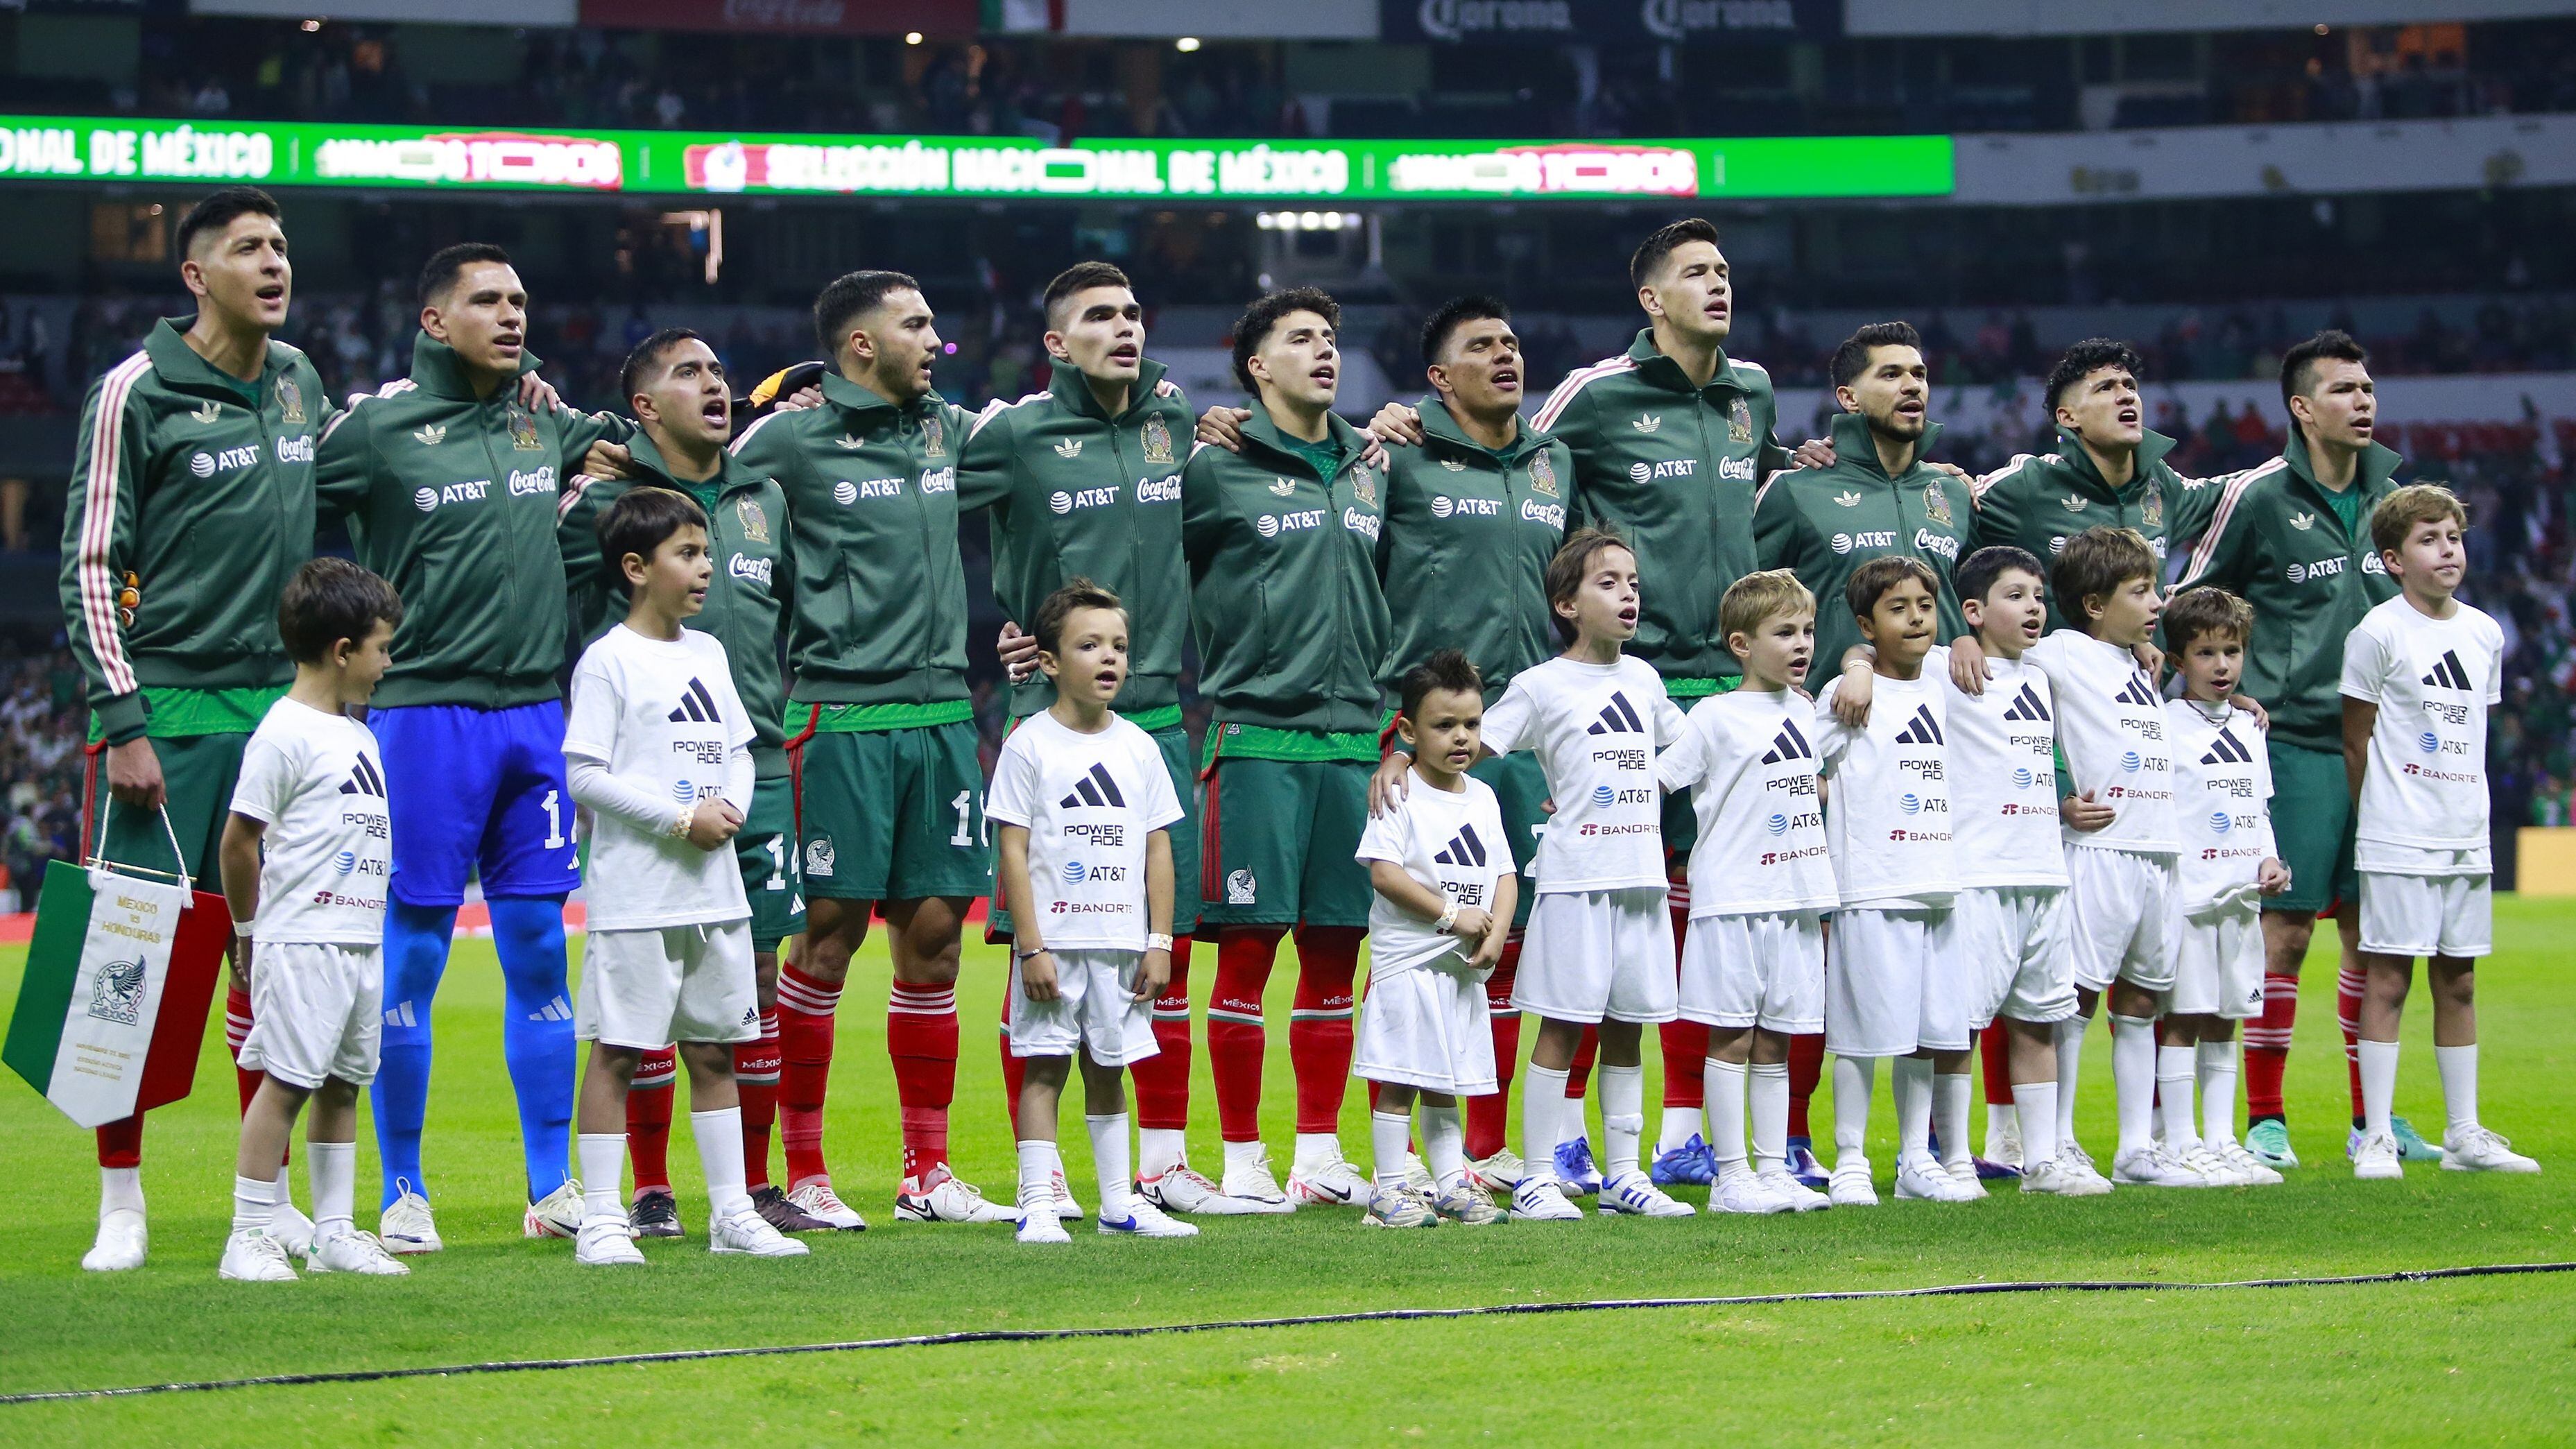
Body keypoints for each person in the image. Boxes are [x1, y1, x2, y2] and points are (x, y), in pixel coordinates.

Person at [316, 242, 631, 1249]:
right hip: (419, 717)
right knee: (409, 954)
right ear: (433, 321)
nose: (511, 316)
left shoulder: (546, 418)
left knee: (540, 945)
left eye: (520, 301)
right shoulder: (373, 428)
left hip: (538, 716)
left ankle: (551, 1188)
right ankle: (403, 1188)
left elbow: (641, 443)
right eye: (486, 301)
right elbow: (279, 502)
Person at [60, 187, 334, 1271]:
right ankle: (119, 1202)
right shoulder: (136, 391)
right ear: (196, 274)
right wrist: (121, 722)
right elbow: (87, 566)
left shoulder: (301, 378)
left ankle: (259, 1203)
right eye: (249, 249)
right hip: (165, 713)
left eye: (281, 248)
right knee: (127, 966)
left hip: (284, 714)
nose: (274, 264)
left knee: (265, 963)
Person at [963, 262, 1251, 1218]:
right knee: (1036, 967)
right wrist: (997, 635)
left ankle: (1157, 1169)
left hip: (1160, 715)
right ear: (1054, 343)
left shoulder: (1179, 425)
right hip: (1052, 721)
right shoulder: (1011, 434)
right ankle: (1040, 1185)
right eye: (1097, 317)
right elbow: (915, 516)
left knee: (1156, 956)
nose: (1122, 327)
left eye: (1132, 312)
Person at [730, 271, 1007, 1230]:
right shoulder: (791, 436)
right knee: (826, 940)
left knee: (934, 940)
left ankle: (925, 1172)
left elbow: (1056, 447)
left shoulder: (949, 428)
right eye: (916, 323)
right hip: (837, 717)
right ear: (859, 344)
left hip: (938, 721)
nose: (936, 338)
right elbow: (692, 468)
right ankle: (801, 1172)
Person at [558, 329, 826, 1237]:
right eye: (689, 373)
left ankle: (747, 1192)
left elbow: (782, 616)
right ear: (641, 406)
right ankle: (642, 1192)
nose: (714, 385)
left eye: (718, 372)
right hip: (651, 812)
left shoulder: (763, 500)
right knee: (635, 1017)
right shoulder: (602, 502)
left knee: (742, 992)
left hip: (744, 785)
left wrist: (741, 796)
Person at [2172, 330, 2410, 1170]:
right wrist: (2216, 691)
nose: (2365, 400)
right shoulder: (2262, 496)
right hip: (2298, 740)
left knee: (2378, 936)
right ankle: (2266, 1116)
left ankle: (2372, 1116)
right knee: (2287, 932)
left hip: (2387, 746)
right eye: (2345, 389)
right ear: (2303, 408)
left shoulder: (2397, 494)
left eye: (2369, 385)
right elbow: (2190, 599)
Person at [1179, 286, 1386, 1210]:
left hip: (1354, 743)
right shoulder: (1212, 466)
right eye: (1299, 339)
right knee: (1248, 956)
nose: (1323, 351)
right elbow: (1141, 565)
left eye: (1330, 338)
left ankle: (1315, 1152)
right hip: (1256, 735)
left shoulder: (1375, 464)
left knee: (1337, 957)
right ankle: (1239, 1155)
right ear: (1256, 366)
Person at [1363, 295, 1571, 1198]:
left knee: (1517, 943)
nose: (1505, 354)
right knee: (1416, 946)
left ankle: (1489, 1147)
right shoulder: (1397, 456)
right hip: (1431, 738)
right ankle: (1386, 1153)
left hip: (1530, 738)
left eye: (1513, 339)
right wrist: (1392, 732)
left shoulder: (1553, 459)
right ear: (1437, 378)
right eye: (1480, 345)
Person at [1482, 528, 1693, 1223]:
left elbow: (1689, 742)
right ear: (1566, 604)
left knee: (1629, 1026)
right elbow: (1480, 741)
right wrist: (1409, 762)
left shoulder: (1645, 678)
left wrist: (1655, 782)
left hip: (1641, 877)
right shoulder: (1539, 686)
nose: (1628, 594)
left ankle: (1624, 1175)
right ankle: (1538, 1176)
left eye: (1632, 582)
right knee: (1564, 1026)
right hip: (1575, 878)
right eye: (1608, 583)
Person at [216, 558, 409, 1281]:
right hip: (303, 937)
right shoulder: (283, 731)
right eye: (381, 647)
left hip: (360, 938)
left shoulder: (358, 734)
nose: (386, 663)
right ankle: (249, 1233)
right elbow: (240, 839)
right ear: (342, 650)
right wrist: (248, 930)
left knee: (341, 1084)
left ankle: (334, 1231)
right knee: (287, 1082)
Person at [989, 580, 1197, 1242]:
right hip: (1055, 943)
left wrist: (1159, 939)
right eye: (1089, 645)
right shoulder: (1029, 744)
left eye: (1119, 646)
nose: (1110, 658)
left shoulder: (1139, 746)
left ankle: (1119, 1205)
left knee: (1110, 1069)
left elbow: (1158, 847)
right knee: (1045, 1067)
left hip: (1120, 943)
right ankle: (1039, 1204)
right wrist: (1031, 947)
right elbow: (1013, 852)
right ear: (1048, 661)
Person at [2339, 485, 2536, 1176]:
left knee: (2459, 983)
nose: (2447, 549)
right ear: (2393, 559)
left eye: (2453, 536)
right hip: (2398, 834)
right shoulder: (2378, 633)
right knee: (2388, 979)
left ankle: (2465, 1134)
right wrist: (2380, 818)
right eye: (2429, 539)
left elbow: (2472, 735)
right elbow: (2356, 740)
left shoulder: (2485, 633)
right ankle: (2378, 1139)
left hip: (2466, 832)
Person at [1653, 569, 1835, 1215]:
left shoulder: (1808, 712)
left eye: (1808, 631)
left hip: (1798, 895)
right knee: (1732, 1037)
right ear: (1741, 644)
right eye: (1784, 632)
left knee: (1778, 1038)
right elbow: (1661, 780)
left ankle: (1771, 1166)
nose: (1801, 644)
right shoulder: (1715, 715)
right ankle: (1731, 1177)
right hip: (1732, 897)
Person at [2026, 526, 2201, 1188]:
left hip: (2159, 847)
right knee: (2075, 996)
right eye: (2142, 590)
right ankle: (2059, 1139)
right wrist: (2061, 795)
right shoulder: (2065, 652)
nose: (2158, 601)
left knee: (2143, 1000)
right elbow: (2010, 690)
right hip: (2101, 849)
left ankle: (2135, 1148)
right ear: (2095, 603)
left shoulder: (2138, 663)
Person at [1934, 547, 2103, 1197]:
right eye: (2015, 595)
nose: (2033, 606)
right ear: (1974, 610)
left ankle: (2041, 1161)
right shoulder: (1943, 671)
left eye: (2037, 594)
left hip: (2044, 870)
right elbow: (1871, 659)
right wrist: (1945, 638)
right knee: (1962, 1023)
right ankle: (1951, 1159)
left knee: (2039, 1019)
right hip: (1979, 872)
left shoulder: (2042, 675)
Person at [1812, 556, 1972, 1208]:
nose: (1915, 618)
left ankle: (1914, 1157)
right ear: (1865, 624)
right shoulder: (1847, 692)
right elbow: (1802, 759)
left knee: (1929, 1033)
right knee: (1860, 1031)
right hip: (1871, 883)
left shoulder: (1941, 683)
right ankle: (1850, 1157)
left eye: (1925, 606)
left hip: (1939, 879)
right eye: (1897, 608)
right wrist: (1854, 666)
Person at [1354, 650, 1516, 1228]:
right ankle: (1390, 1188)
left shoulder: (1484, 797)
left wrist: (1496, 930)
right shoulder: (1398, 794)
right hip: (1409, 964)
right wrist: (1451, 914)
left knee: (1446, 1083)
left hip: (1459, 970)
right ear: (1407, 730)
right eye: (1444, 725)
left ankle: (1451, 1184)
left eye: (1471, 724)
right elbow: (1384, 873)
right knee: (1400, 1080)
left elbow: (1504, 872)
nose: (1461, 736)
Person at [1755, 322, 1970, 689]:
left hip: (1942, 720)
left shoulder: (1955, 492)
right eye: (1890, 375)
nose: (1912, 385)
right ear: (1849, 397)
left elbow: (1978, 595)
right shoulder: (1795, 489)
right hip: (1834, 713)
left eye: (1919, 374)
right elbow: (1746, 604)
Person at [2163, 585, 2291, 1187]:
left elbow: (2257, 805)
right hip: (2192, 896)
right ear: (2179, 659)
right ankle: (2179, 1140)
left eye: (2232, 651)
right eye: (2207, 652)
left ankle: (2220, 1137)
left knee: (2226, 1016)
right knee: (2184, 1015)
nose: (2222, 665)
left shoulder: (2248, 724)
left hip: (2241, 896)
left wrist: (2270, 859)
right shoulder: (2163, 725)